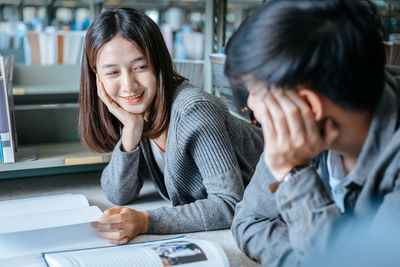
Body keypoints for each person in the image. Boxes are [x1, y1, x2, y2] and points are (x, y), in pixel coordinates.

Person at [224, 0, 400, 266]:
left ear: (308, 105)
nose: (251, 106)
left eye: (256, 93)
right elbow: (249, 222)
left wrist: (294, 174)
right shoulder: (301, 130)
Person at [78, 8, 263, 244]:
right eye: (112, 72)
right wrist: (131, 133)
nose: (128, 85)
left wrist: (146, 221)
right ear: (97, 79)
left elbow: (229, 204)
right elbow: (118, 193)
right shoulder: (139, 113)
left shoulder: (194, 110)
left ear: (158, 64)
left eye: (140, 67)